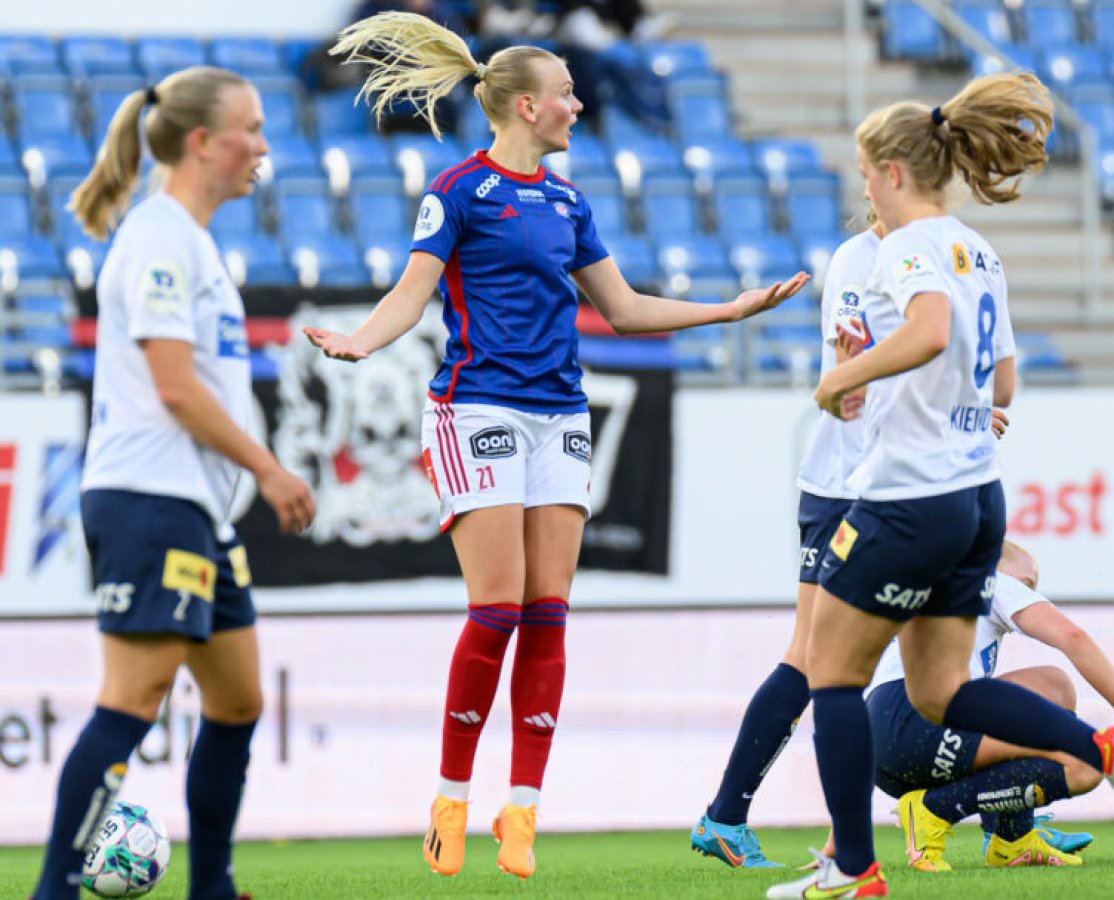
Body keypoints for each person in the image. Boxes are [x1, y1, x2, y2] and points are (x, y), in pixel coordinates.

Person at [307, 11, 809, 881]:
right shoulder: (459, 189)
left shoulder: (569, 201)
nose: (579, 106)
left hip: (561, 416)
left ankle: (523, 809)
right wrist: (361, 341)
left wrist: (728, 309)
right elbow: (411, 291)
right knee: (496, 611)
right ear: (526, 107)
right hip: (477, 407)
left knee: (548, 613)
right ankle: (450, 797)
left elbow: (624, 308)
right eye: (567, 95)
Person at [766, 72, 1114, 900]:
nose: (863, 186)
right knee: (943, 689)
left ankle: (854, 872)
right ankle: (1100, 748)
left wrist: (840, 379)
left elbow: (929, 331)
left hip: (906, 499)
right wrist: (913, 389)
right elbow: (1006, 381)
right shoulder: (975, 249)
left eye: (864, 171)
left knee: (832, 677)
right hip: (975, 498)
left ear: (891, 171)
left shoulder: (907, 246)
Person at [31, 67, 317, 900]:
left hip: (195, 508)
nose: (263, 147)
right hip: (146, 500)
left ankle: (213, 888)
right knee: (135, 695)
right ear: (203, 142)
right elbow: (176, 386)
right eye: (252, 129)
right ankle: (54, 889)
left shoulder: (190, 241)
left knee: (237, 700)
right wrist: (267, 469)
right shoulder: (159, 237)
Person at [690, 216, 884, 870]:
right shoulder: (862, 260)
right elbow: (848, 376)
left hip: (883, 482)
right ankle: (832, 839)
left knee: (827, 659)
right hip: (848, 485)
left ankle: (730, 817)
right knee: (820, 659)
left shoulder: (930, 253)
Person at [871, 540, 1114, 871]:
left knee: (1052, 687)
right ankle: (934, 810)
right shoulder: (992, 582)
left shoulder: (929, 596)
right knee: (1085, 760)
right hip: (916, 721)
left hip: (880, 746)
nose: (1031, 592)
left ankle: (1011, 838)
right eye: (1030, 585)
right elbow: (1072, 637)